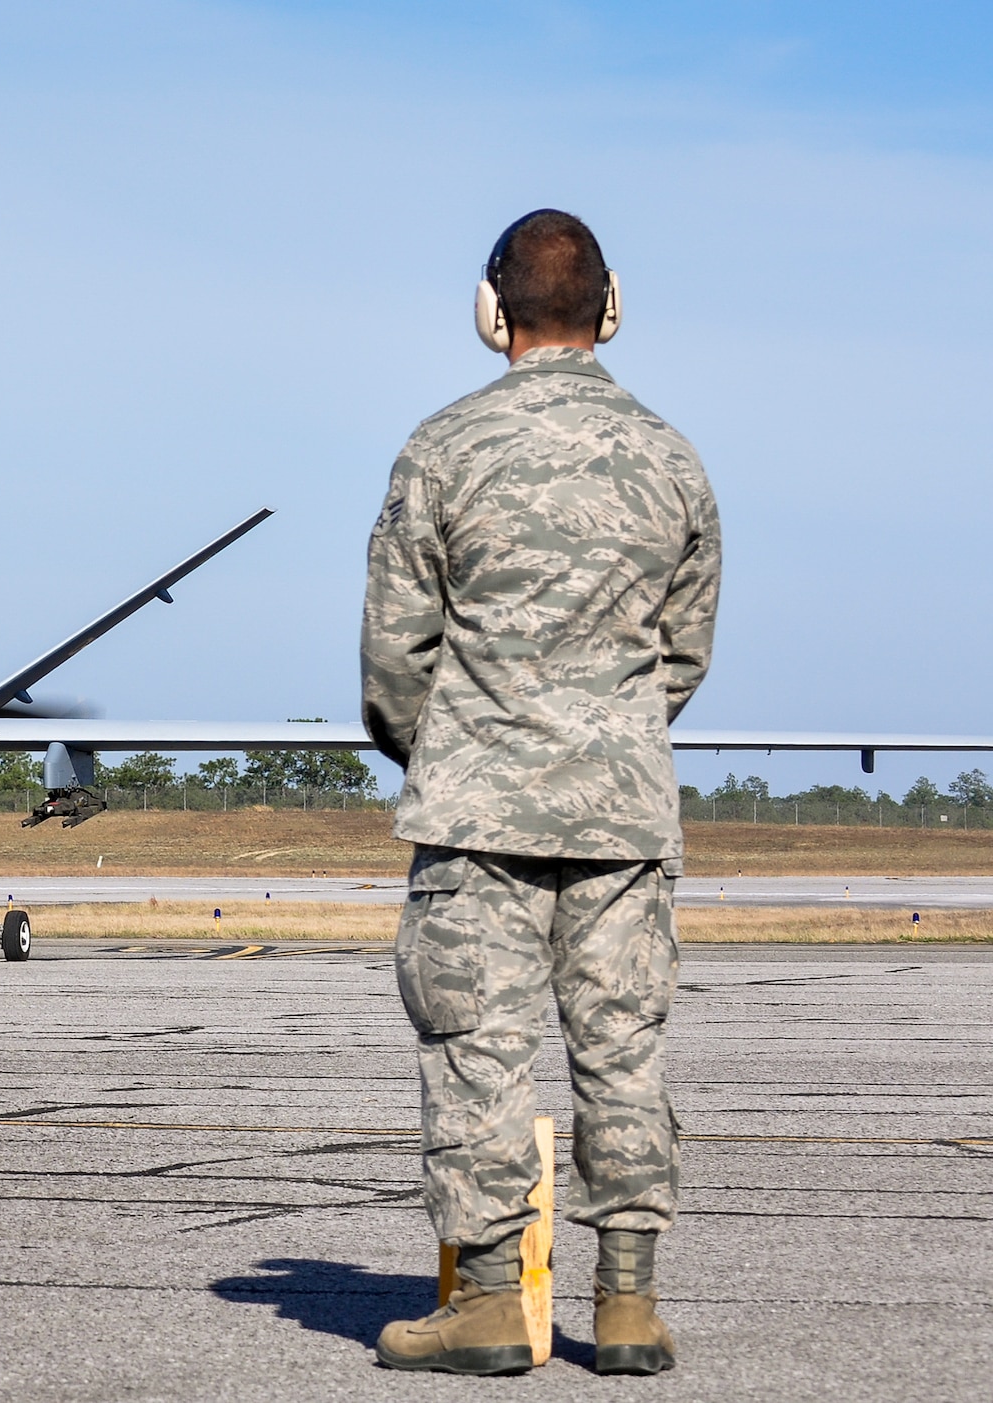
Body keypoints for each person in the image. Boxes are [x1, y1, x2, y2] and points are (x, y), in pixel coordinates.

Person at [360, 209, 720, 1376]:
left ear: (490, 309)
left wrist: (456, 747)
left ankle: (483, 1303)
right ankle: (625, 1304)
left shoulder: (442, 448)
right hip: (620, 814)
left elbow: (394, 651)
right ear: (609, 309)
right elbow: (684, 647)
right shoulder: (670, 456)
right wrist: (606, 738)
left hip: (476, 811)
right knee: (623, 1047)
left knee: (478, 1050)